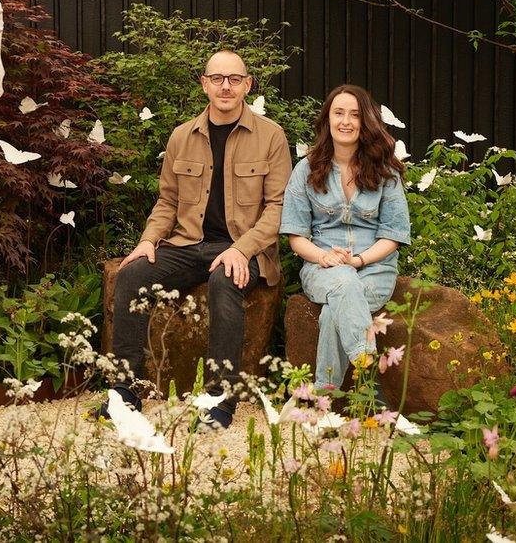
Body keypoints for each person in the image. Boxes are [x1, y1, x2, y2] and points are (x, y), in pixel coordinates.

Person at [99, 50, 292, 429]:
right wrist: (149, 240)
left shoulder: (271, 136)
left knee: (225, 280)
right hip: (188, 245)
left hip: (244, 248)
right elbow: (168, 200)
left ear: (248, 85)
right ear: (204, 84)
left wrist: (242, 249)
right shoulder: (182, 137)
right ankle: (125, 391)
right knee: (131, 275)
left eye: (234, 79)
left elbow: (277, 208)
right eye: (217, 78)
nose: (225, 86)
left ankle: (219, 399)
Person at [279, 84, 410, 392]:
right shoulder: (306, 169)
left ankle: (324, 394)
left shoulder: (384, 170)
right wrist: (323, 257)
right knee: (343, 281)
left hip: (374, 268)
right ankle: (367, 370)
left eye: (355, 115)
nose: (346, 121)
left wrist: (359, 260)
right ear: (327, 120)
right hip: (321, 268)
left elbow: (393, 235)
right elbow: (296, 236)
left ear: (365, 122)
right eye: (339, 113)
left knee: (332, 312)